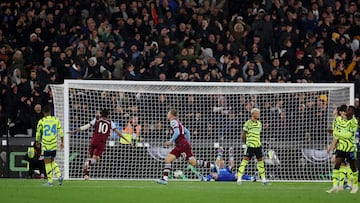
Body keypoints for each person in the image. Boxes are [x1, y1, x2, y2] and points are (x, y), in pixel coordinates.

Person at [67, 109, 131, 180]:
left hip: (93, 140)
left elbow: (86, 126)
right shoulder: (110, 122)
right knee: (95, 159)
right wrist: (126, 139)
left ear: (101, 114)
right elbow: (117, 132)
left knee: (89, 156)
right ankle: (89, 163)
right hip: (101, 143)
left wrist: (75, 131)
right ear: (108, 115)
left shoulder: (96, 119)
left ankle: (86, 175)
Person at [157, 109, 213, 185]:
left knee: (191, 162)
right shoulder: (178, 122)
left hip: (181, 145)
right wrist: (187, 143)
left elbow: (177, 133)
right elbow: (187, 132)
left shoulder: (173, 121)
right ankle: (165, 179)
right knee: (169, 159)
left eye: (168, 113)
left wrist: (170, 141)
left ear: (171, 114)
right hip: (181, 145)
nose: (167, 114)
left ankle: (165, 179)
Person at [326, 106, 359, 193]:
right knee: (337, 165)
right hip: (341, 147)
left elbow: (348, 135)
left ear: (352, 113)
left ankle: (355, 186)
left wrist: (335, 132)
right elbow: (337, 135)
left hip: (350, 148)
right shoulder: (339, 120)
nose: (346, 111)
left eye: (349, 110)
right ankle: (335, 186)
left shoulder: (354, 122)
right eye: (346, 110)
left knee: (353, 167)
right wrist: (332, 146)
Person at [237, 108, 269, 185]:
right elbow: (243, 135)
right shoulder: (247, 123)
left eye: (258, 113)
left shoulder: (259, 124)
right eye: (257, 113)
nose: (258, 114)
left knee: (261, 162)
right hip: (250, 146)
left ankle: (264, 180)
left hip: (258, 146)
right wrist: (246, 143)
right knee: (244, 162)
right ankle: (239, 179)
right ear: (253, 114)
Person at [35, 105, 64, 186]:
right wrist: (62, 142)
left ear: (44, 113)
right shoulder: (56, 120)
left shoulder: (42, 121)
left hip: (46, 144)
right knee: (52, 161)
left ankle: (50, 181)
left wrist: (37, 142)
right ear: (50, 112)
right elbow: (61, 132)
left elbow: (38, 133)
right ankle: (59, 176)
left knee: (47, 162)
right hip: (54, 144)